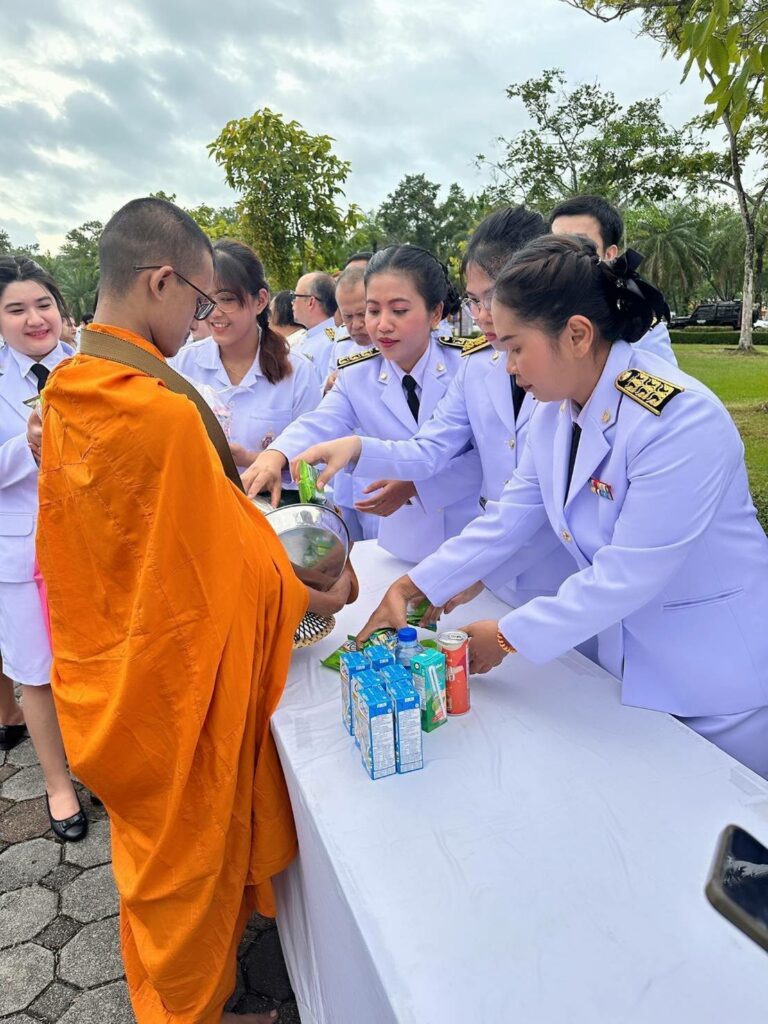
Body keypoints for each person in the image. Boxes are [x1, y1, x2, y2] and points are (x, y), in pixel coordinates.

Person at [35, 196, 355, 1024]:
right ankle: (188, 1013)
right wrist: (323, 592)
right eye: (198, 301)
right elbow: (236, 571)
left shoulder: (71, 387)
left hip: (102, 668)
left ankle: (192, 1004)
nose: (201, 320)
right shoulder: (157, 410)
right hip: (164, 681)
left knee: (152, 860)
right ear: (160, 280)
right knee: (182, 868)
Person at [354, 234, 768, 778]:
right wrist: (414, 588)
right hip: (628, 667)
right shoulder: (557, 409)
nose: (506, 366)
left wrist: (506, 636)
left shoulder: (677, 420)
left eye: (516, 347)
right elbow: (510, 515)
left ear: (576, 334)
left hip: (715, 685)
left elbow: (626, 573)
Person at [293, 207, 575, 610]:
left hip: (559, 577)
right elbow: (430, 449)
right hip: (489, 569)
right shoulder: (481, 367)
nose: (482, 316)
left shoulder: (574, 381)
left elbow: (548, 501)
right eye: (475, 301)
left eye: (494, 298)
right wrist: (356, 449)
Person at [243, 245, 484, 563]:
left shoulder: (469, 366)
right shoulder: (358, 374)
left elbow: (488, 455)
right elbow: (322, 420)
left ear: (435, 313)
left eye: (399, 311)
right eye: (373, 310)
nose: (382, 325)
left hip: (472, 537)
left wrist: (417, 486)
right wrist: (276, 454)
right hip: (405, 545)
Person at [0, 256, 86, 840]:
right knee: (36, 672)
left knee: (93, 660)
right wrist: (22, 451)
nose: (35, 319)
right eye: (16, 309)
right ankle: (58, 785)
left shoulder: (88, 369)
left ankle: (102, 766)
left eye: (43, 305)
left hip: (89, 545)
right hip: (19, 549)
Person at [171, 240, 321, 497]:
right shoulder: (183, 365)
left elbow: (316, 464)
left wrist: (251, 459)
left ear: (260, 300)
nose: (214, 313)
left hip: (272, 516)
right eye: (205, 300)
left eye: (226, 299)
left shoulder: (297, 371)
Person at [548, 195, 676, 364]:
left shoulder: (639, 323)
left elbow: (663, 381)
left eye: (579, 244)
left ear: (610, 254)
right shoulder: (532, 309)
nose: (564, 254)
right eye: (555, 243)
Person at [289, 272, 337, 383]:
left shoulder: (332, 343)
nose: (292, 302)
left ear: (311, 302)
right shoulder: (305, 336)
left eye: (295, 296)